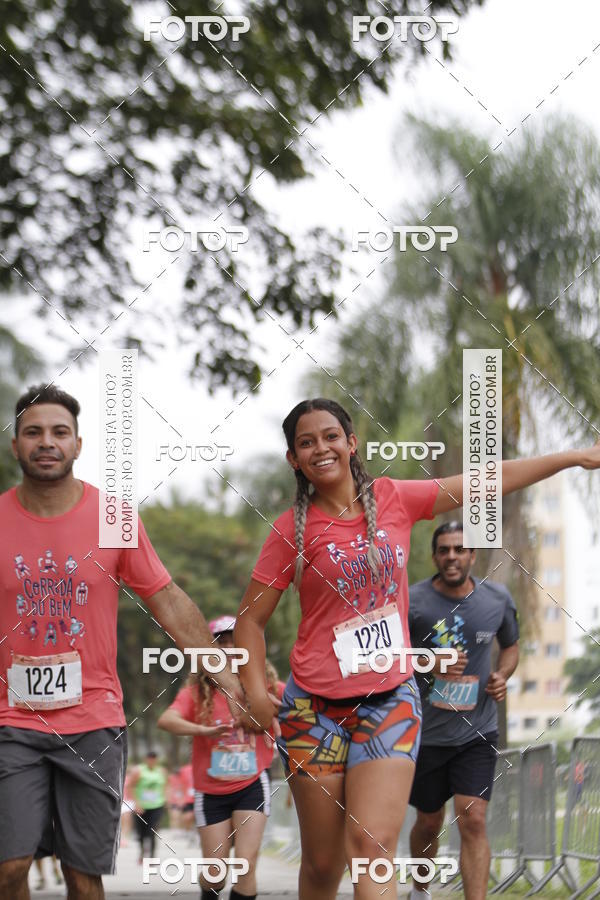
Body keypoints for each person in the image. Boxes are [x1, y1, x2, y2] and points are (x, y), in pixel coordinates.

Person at [232, 397, 600, 900]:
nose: (321, 447)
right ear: (294, 459)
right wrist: (254, 692)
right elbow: (250, 621)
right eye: (306, 442)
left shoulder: (393, 499)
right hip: (311, 711)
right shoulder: (288, 531)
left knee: (372, 845)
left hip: (390, 700)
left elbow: (484, 480)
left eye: (330, 436)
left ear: (351, 443)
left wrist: (574, 457)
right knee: (322, 866)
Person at [0, 385, 244, 900]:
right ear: (15, 445)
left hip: (92, 718)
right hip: (11, 720)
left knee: (82, 874)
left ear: (78, 444)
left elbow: (167, 599)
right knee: (9, 864)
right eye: (33, 432)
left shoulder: (112, 518)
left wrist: (222, 670)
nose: (47, 442)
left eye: (59, 432)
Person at [407, 522, 519, 900]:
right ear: (434, 556)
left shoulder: (497, 599)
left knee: (472, 818)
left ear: (472, 555)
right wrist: (429, 661)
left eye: (459, 549)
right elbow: (391, 658)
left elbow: (511, 646)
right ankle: (421, 890)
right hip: (426, 734)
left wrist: (502, 674)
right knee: (428, 820)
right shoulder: (412, 601)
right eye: (444, 550)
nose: (451, 556)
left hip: (478, 729)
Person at [157, 616, 277, 900]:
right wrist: (203, 730)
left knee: (245, 865)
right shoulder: (196, 693)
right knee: (216, 872)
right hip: (211, 792)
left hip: (251, 784)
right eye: (220, 642)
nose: (228, 647)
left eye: (234, 641)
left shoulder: (265, 687)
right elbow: (166, 720)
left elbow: (300, 707)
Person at [129, 751, 168, 861]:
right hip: (141, 806)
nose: (152, 761)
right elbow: (131, 787)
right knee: (141, 832)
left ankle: (152, 856)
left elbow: (166, 785)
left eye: (154, 759)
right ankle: (141, 851)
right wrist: (136, 803)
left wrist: (166, 799)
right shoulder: (138, 771)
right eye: (150, 758)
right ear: (146, 759)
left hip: (157, 805)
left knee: (152, 830)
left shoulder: (161, 771)